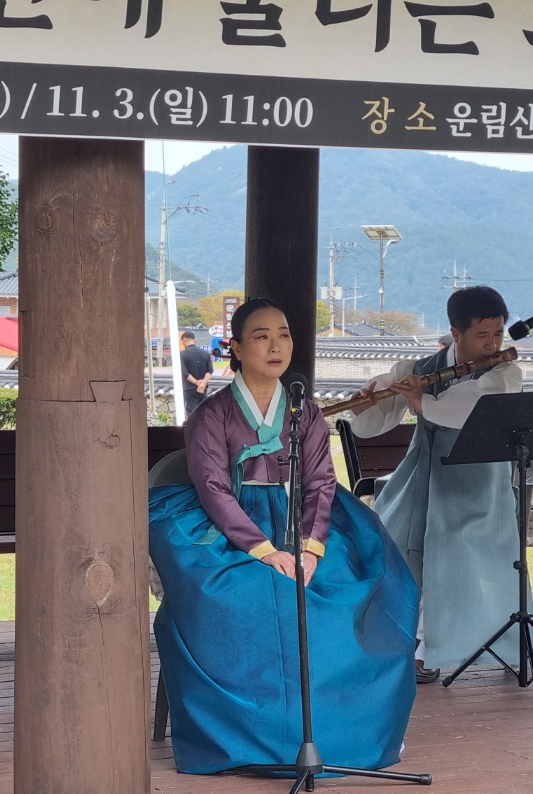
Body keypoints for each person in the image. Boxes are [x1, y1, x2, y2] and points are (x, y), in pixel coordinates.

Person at [149, 298, 419, 775]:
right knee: (249, 595)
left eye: (285, 334)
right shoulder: (211, 415)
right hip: (231, 527)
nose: (276, 346)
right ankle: (252, 741)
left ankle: (338, 739)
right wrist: (265, 549)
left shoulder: (306, 412)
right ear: (234, 346)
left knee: (347, 590)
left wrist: (312, 546)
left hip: (304, 520)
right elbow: (212, 488)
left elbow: (320, 481)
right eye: (261, 336)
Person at [348, 285, 527, 682]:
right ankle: (402, 641)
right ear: (456, 332)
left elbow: (474, 406)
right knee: (394, 544)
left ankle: (449, 649)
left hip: (478, 482)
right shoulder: (419, 367)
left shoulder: (505, 371)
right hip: (422, 478)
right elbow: (377, 417)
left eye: (498, 333)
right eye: (482, 335)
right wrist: (366, 405)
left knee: (462, 557)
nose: (492, 343)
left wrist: (421, 403)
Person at [177, 330, 213, 416]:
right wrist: (202, 383)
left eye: (182, 341)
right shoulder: (205, 354)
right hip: (203, 389)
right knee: (203, 413)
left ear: (185, 340)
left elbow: (184, 372)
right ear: (194, 340)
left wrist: (196, 382)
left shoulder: (182, 355)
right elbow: (210, 370)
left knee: (192, 415)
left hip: (189, 388)